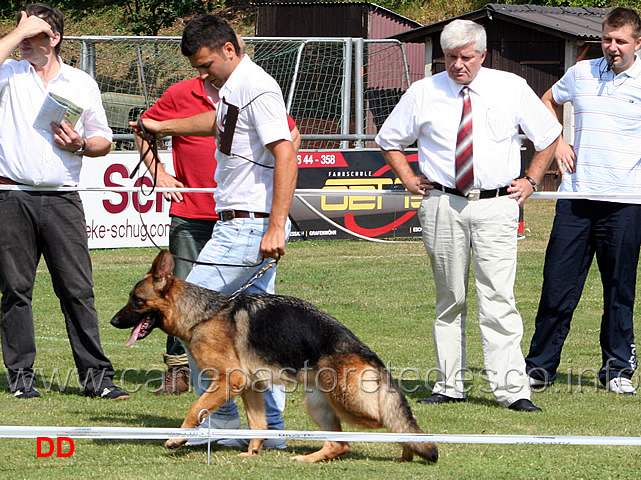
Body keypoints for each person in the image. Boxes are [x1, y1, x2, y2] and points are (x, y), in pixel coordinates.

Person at [375, 19, 561, 411]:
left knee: (499, 297)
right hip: (443, 204)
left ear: (482, 54)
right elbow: (389, 140)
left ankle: (513, 391)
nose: (459, 65)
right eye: (450, 58)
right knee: (449, 298)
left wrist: (531, 179)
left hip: (497, 204)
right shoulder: (423, 91)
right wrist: (408, 177)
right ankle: (448, 385)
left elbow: (547, 134)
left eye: (467, 57)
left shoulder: (509, 87)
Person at [132, 14, 298, 445]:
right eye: (197, 69)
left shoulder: (257, 87)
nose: (203, 75)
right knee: (257, 339)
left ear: (230, 48)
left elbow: (286, 153)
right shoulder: (232, 88)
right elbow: (218, 124)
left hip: (247, 227)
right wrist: (161, 126)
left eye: (206, 65)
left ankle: (220, 426)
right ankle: (271, 433)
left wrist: (276, 226)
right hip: (244, 226)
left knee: (188, 320)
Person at [0, 4, 129, 400]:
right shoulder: (8, 72)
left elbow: (103, 140)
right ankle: (21, 379)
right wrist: (20, 32)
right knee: (16, 290)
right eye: (20, 34)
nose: (24, 42)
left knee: (77, 290)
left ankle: (97, 379)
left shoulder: (80, 82)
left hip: (62, 198)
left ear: (53, 38)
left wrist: (82, 144)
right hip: (12, 194)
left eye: (34, 33)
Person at [525, 7, 641, 395]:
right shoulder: (581, 73)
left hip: (627, 202)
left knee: (619, 291)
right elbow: (547, 99)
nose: (612, 47)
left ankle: (618, 370)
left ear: (637, 43)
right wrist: (558, 140)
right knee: (557, 287)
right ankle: (539, 368)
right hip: (576, 199)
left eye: (621, 41)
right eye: (607, 39)